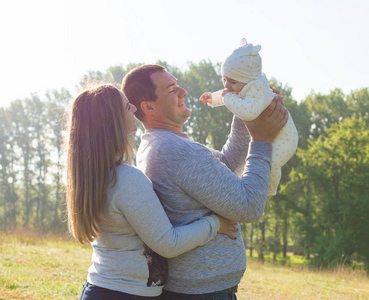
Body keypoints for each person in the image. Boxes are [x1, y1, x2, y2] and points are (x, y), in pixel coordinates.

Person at [122, 64, 288, 299]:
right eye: (171, 90)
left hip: (202, 288)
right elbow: (250, 207)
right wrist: (262, 140)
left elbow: (228, 166)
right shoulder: (176, 151)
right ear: (148, 107)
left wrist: (246, 109)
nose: (183, 92)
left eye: (177, 85)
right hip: (204, 292)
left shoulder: (164, 145)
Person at [66, 83, 239, 300]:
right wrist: (215, 224)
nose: (133, 109)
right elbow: (168, 243)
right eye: (127, 107)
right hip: (125, 294)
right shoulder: (127, 179)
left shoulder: (94, 177)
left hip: (103, 288)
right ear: (113, 121)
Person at [200, 38, 298, 195]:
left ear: (247, 80)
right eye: (224, 79)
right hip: (272, 134)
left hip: (285, 139)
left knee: (269, 163)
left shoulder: (256, 91)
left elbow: (247, 111)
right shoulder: (244, 84)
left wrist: (227, 98)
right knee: (262, 162)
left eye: (231, 81)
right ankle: (265, 189)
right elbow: (228, 93)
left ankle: (269, 190)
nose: (226, 85)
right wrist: (212, 98)